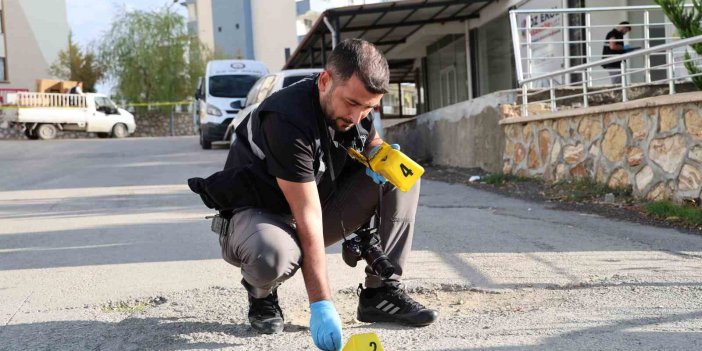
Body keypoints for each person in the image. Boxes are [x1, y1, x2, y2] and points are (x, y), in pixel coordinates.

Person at [188, 39, 438, 351]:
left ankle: (380, 292)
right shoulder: (286, 119)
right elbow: (306, 214)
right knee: (274, 256)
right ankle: (261, 293)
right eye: (352, 104)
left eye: (368, 108)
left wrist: (381, 157)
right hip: (257, 218)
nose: (358, 116)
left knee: (402, 177)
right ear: (324, 81)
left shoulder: (355, 111)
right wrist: (321, 305)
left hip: (310, 208)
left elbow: (368, 141)